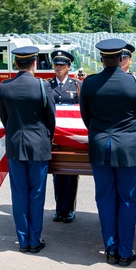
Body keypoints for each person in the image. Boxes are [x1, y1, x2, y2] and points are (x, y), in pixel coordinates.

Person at [79, 38, 136, 266]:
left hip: (101, 145)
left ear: (101, 58)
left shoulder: (89, 83)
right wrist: (134, 137)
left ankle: (110, 248)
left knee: (105, 198)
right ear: (122, 57)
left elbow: (86, 117)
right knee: (128, 200)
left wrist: (100, 132)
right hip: (130, 146)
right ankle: (125, 251)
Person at [0, 45, 56, 253]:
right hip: (39, 145)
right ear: (34, 63)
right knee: (37, 193)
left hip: (15, 145)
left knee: (19, 193)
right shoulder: (43, 86)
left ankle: (23, 240)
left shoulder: (5, 86)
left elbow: (5, 118)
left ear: (15, 63)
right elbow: (51, 118)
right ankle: (35, 239)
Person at [48, 50, 80, 224]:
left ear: (68, 67)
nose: (58, 68)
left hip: (71, 136)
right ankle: (59, 208)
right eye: (56, 65)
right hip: (54, 136)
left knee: (71, 173)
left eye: (62, 65)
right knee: (57, 173)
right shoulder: (47, 85)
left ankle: (69, 209)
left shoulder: (76, 86)